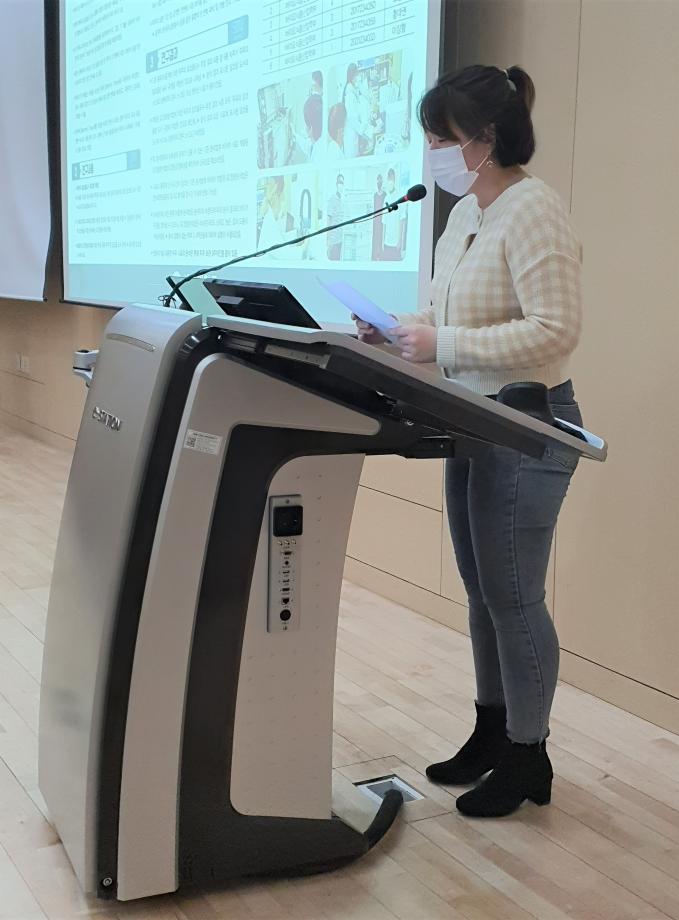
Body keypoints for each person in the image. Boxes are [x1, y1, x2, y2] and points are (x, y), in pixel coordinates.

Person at [354, 65, 583, 818]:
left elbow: (554, 330)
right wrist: (394, 332)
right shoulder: (465, 215)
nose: (432, 152)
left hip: (527, 421)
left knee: (514, 596)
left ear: (484, 138)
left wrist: (441, 342)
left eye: (440, 138)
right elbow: (444, 319)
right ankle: (492, 731)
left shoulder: (533, 209)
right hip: (469, 418)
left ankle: (528, 754)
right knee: (483, 594)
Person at [343, 63, 371, 157]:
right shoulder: (350, 95)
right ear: (353, 75)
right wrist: (363, 131)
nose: (358, 77)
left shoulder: (352, 91)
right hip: (351, 137)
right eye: (357, 74)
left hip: (353, 134)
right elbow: (352, 118)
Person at [381, 168, 404, 260]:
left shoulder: (400, 197)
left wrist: (400, 241)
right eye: (388, 179)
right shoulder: (386, 198)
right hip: (387, 242)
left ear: (394, 180)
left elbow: (402, 220)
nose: (390, 181)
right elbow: (384, 222)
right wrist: (382, 242)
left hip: (396, 243)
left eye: (392, 179)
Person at [326, 173, 345, 260]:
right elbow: (328, 220)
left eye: (342, 183)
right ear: (336, 184)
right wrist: (328, 239)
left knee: (338, 261)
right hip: (333, 240)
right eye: (339, 182)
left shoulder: (342, 200)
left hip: (340, 239)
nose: (341, 185)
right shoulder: (332, 199)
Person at [372, 173, 385, 260]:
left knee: (381, 238)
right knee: (375, 238)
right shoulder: (375, 195)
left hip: (382, 220)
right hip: (375, 220)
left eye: (380, 180)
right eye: (377, 181)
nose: (379, 182)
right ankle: (374, 257)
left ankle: (380, 256)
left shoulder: (385, 195)